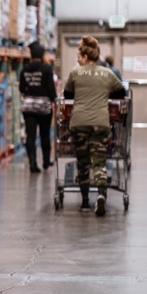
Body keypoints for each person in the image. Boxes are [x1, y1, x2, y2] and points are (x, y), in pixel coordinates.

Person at [63, 36, 127, 217]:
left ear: (85, 56)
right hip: (100, 123)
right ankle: (101, 194)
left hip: (79, 122)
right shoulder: (107, 73)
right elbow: (121, 92)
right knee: (99, 163)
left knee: (83, 164)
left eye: (78, 56)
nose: (77, 59)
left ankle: (84, 202)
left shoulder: (76, 73)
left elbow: (68, 95)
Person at [19, 42, 57, 174]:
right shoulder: (46, 69)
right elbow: (51, 88)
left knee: (30, 136)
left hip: (28, 106)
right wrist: (54, 100)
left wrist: (30, 90)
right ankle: (46, 162)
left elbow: (21, 88)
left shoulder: (25, 69)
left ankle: (33, 164)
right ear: (41, 55)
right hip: (44, 107)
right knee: (44, 135)